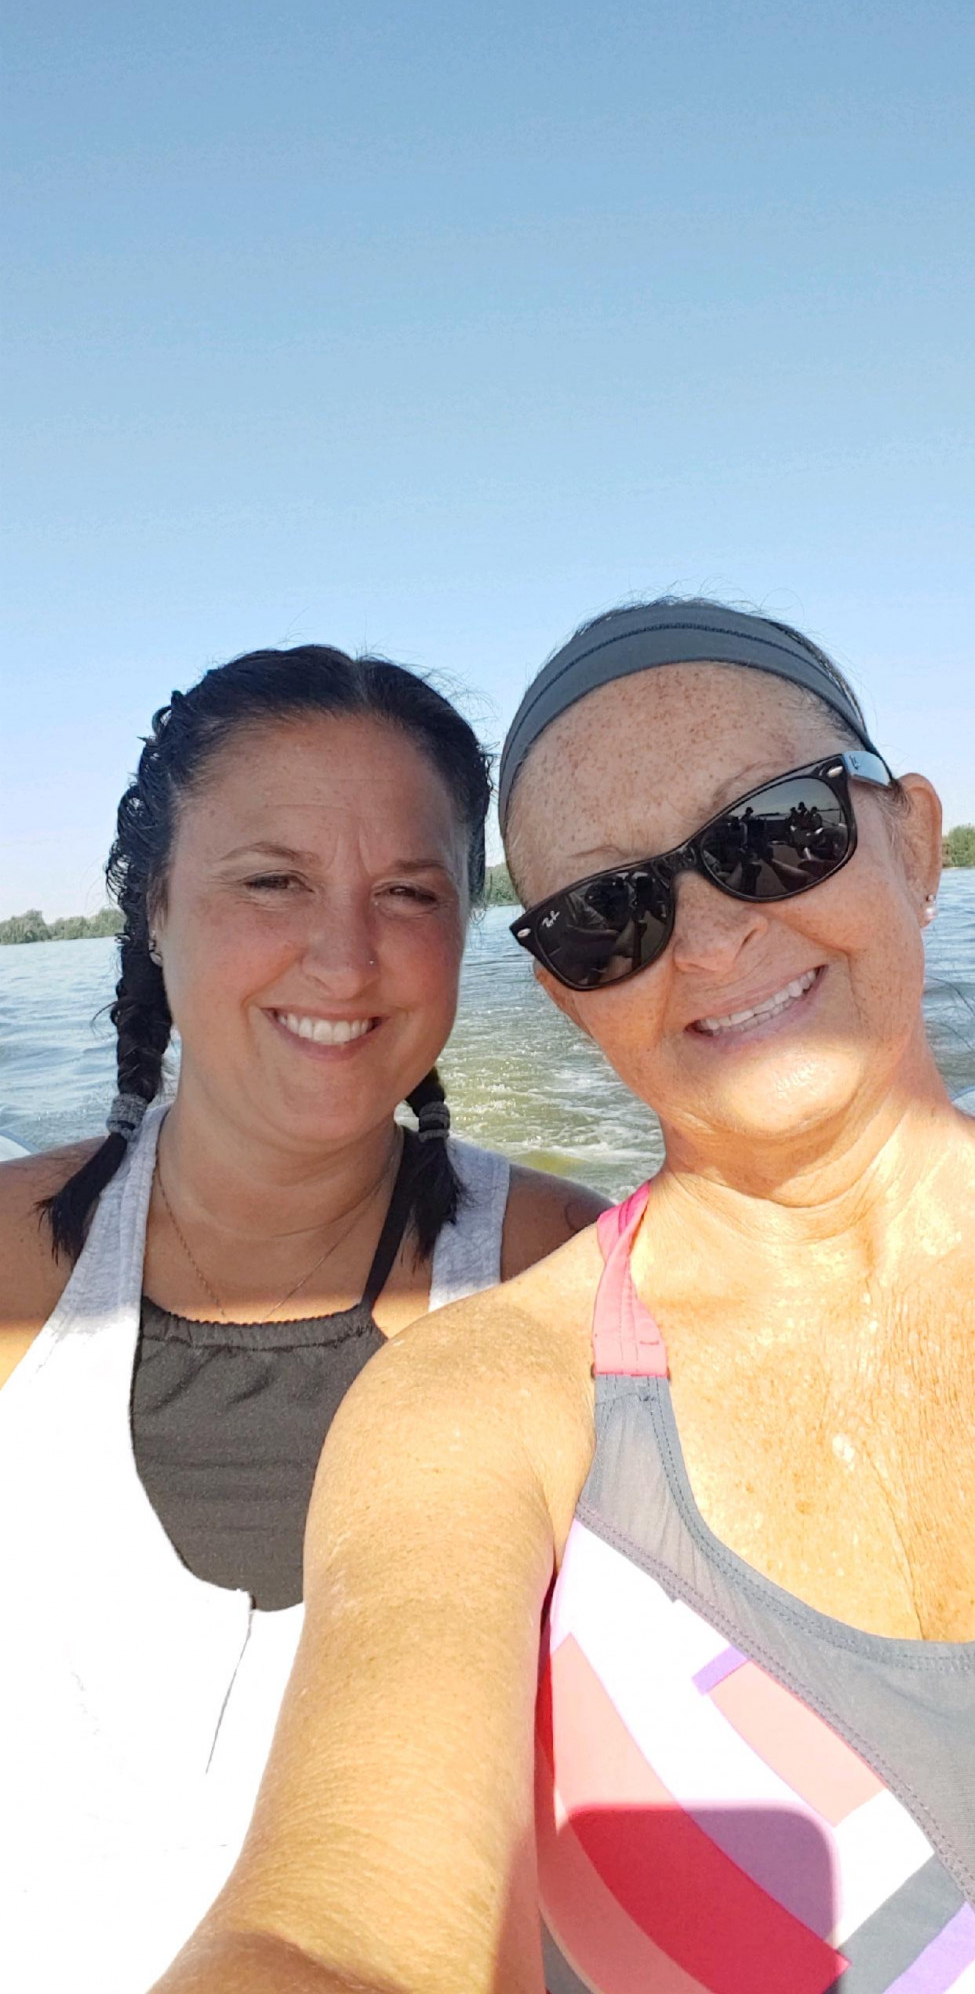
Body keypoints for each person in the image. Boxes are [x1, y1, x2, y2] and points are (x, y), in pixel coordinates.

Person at [155, 600, 974, 1994]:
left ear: (913, 840)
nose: (709, 940)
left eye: (778, 830)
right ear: (562, 991)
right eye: (611, 914)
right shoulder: (482, 1403)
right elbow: (325, 1931)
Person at [0, 643, 605, 1994]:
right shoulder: (9, 1267)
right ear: (156, 908)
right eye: (273, 881)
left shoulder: (570, 1277)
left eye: (409, 892)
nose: (344, 956)